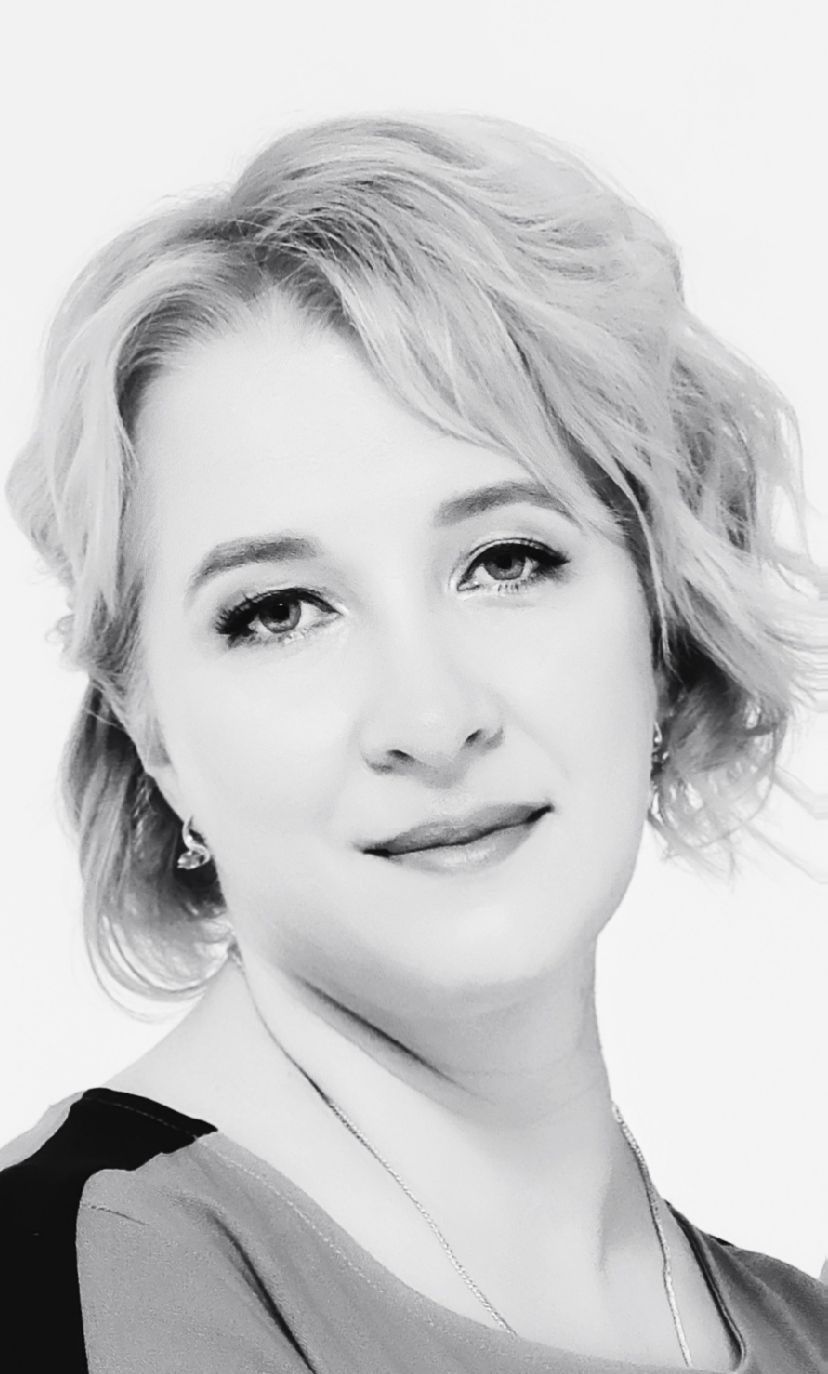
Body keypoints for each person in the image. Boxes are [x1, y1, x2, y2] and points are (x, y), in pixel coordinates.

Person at [1, 110, 824, 1373]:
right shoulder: (78, 1280)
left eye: (508, 560)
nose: (432, 722)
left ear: (664, 625)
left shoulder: (798, 1331)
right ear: (150, 729)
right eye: (279, 611)